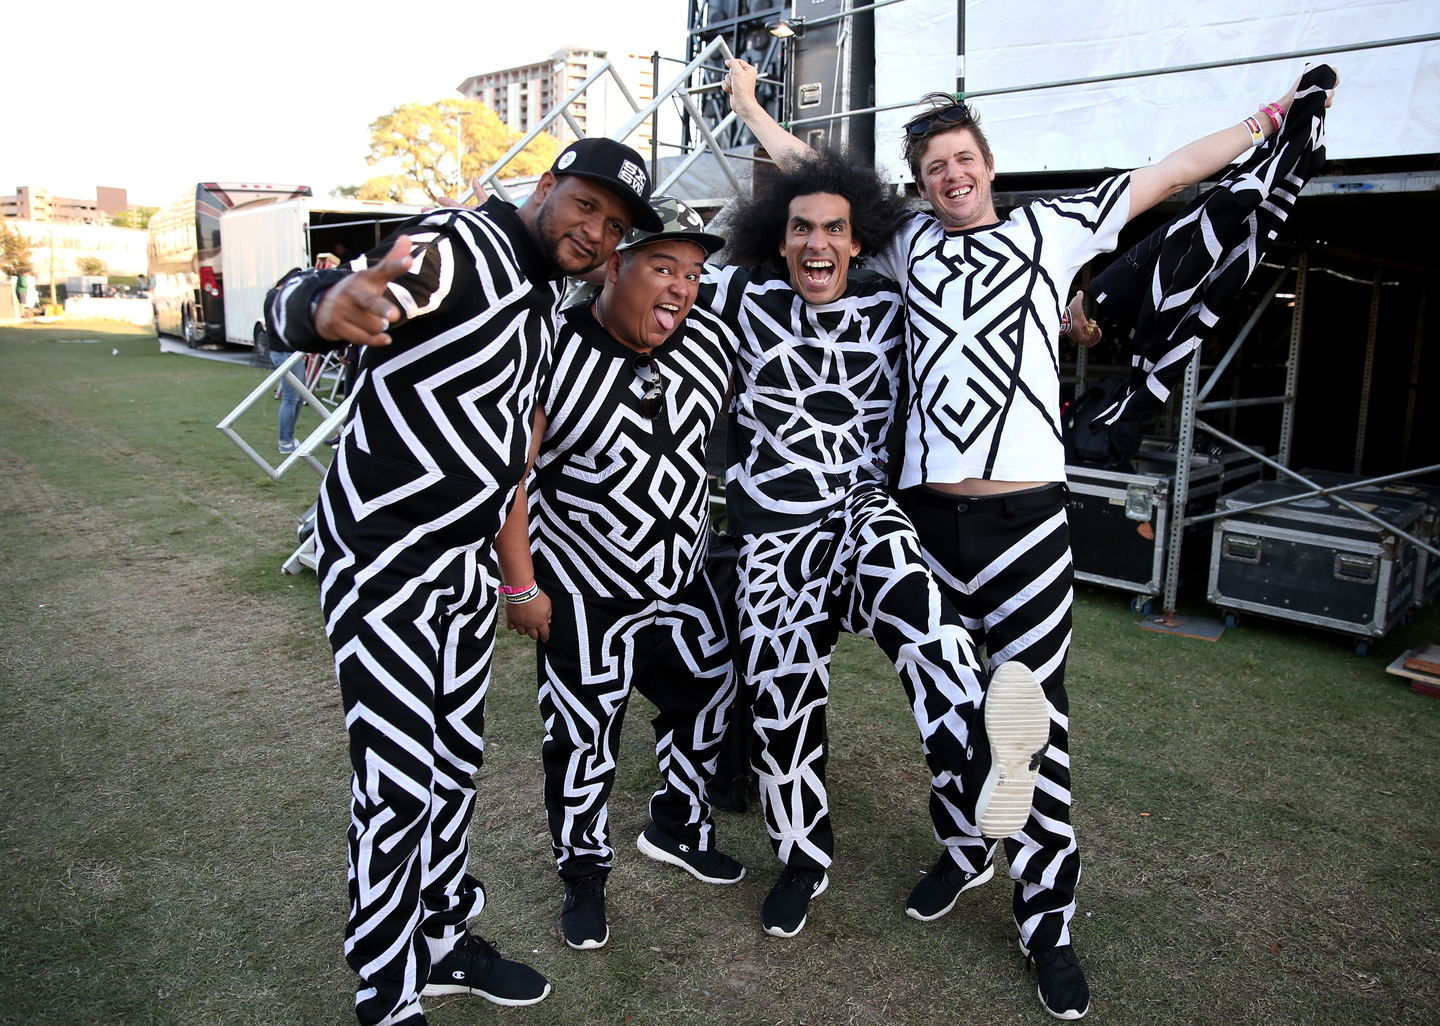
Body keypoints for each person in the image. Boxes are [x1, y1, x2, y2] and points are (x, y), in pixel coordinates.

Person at [724, 58, 1337, 1020]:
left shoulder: (1057, 229)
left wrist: (1265, 123)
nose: (950, 178)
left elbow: (1169, 174)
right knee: (950, 708)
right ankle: (967, 851)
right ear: (920, 184)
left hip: (1025, 521)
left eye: (962, 161)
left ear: (989, 164)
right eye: (933, 168)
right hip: (926, 519)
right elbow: (816, 185)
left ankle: (1047, 925)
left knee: (1032, 725)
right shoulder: (903, 245)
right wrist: (755, 109)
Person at [263, 137, 661, 1026]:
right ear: (548, 187)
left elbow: (510, 454)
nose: (597, 232)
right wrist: (330, 302)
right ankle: (384, 990)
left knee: (451, 769)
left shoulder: (540, 301)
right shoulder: (463, 245)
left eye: (616, 225)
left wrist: (509, 579)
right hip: (383, 557)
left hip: (462, 568)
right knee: (399, 778)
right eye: (587, 206)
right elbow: (349, 289)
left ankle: (440, 938)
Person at [699, 148, 1050, 940]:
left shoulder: (894, 306)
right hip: (772, 532)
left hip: (861, 509)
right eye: (799, 230)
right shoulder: (732, 296)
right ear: (777, 239)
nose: (815, 244)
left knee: (924, 612)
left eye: (833, 229)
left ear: (858, 242)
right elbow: (649, 281)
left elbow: (991, 310)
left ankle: (981, 772)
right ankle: (801, 858)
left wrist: (1077, 308)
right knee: (782, 699)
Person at [494, 197, 746, 952]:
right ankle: (583, 876)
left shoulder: (710, 343)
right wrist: (522, 585)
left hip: (685, 577)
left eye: (694, 274)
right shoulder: (553, 350)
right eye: (662, 266)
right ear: (613, 266)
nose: (681, 288)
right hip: (583, 590)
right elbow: (507, 476)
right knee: (580, 738)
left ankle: (678, 827)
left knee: (709, 698)